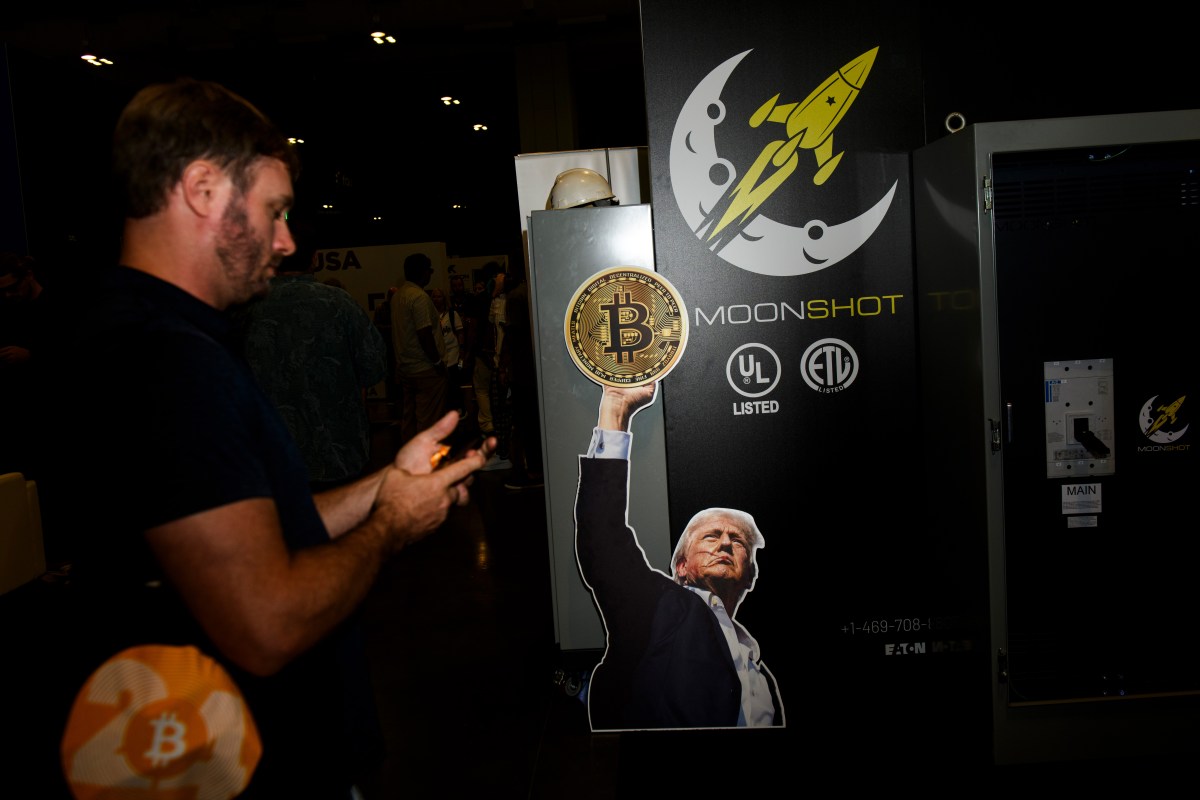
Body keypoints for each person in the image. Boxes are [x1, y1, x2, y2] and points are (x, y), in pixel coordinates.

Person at [28, 77, 493, 798]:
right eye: (274, 211)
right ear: (203, 189)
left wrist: (386, 485)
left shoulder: (151, 338)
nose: (288, 240)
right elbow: (266, 623)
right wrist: (394, 524)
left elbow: (251, 525)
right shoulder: (167, 360)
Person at [574, 383, 784, 731]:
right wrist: (615, 408)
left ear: (751, 575)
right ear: (681, 567)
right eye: (712, 536)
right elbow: (602, 536)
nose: (726, 544)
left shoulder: (759, 669)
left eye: (738, 541)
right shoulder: (658, 606)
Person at [238, 243, 388, 491]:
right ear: (315, 258)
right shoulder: (339, 302)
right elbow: (374, 368)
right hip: (338, 451)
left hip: (271, 454)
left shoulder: (246, 309)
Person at [389, 252, 445, 444]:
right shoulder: (419, 297)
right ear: (423, 272)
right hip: (425, 368)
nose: (431, 274)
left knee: (409, 419)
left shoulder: (398, 297)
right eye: (429, 270)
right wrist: (437, 361)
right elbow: (424, 333)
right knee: (428, 420)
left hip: (406, 368)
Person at [498, 264, 543, 490]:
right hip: (537, 369)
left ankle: (534, 471)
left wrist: (504, 366)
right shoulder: (537, 290)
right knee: (532, 421)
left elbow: (513, 336)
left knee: (527, 422)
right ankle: (536, 468)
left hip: (524, 370)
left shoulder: (517, 296)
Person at [428, 286, 465, 415]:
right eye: (434, 296)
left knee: (453, 381)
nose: (436, 299)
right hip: (438, 353)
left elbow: (460, 332)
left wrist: (461, 349)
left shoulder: (451, 314)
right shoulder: (429, 315)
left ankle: (459, 407)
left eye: (439, 296)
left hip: (452, 352)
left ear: (444, 298)